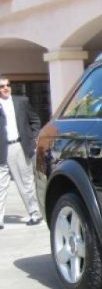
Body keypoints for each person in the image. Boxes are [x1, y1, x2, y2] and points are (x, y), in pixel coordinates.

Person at [0, 75, 42, 230]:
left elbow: (35, 120)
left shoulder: (21, 101)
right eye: (2, 86)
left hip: (19, 146)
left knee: (26, 183)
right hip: (2, 149)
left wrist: (33, 139)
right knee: (1, 186)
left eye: (8, 85)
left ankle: (34, 214)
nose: (5, 88)